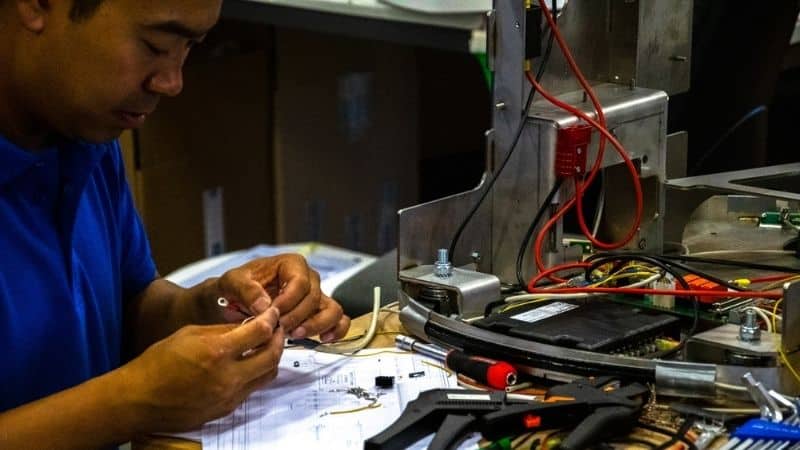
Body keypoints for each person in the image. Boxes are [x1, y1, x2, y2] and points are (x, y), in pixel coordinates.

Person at [0, 0, 351, 448]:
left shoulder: (80, 132)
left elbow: (127, 309)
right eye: (156, 44)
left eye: (188, 48)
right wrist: (131, 401)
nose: (171, 82)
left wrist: (217, 304)